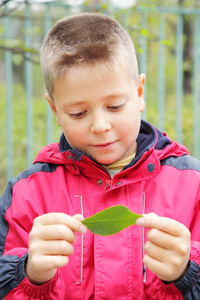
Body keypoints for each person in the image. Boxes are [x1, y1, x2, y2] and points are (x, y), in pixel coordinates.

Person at [0, 12, 200, 300]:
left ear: (140, 92)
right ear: (55, 110)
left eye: (115, 106)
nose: (100, 126)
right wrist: (29, 274)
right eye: (78, 113)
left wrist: (186, 274)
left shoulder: (192, 186)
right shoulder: (25, 196)